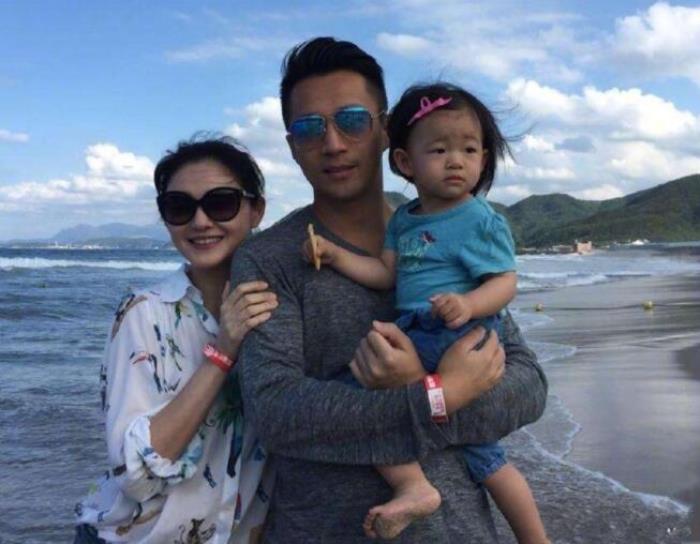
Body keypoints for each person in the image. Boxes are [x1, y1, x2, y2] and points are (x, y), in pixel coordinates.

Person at [231, 37, 548, 543]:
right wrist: (437, 395)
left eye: (352, 120)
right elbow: (277, 412)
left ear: (383, 131)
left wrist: (425, 387)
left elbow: (528, 387)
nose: (333, 143)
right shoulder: (270, 258)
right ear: (292, 146)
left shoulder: (452, 228)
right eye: (310, 128)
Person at [74, 135, 278, 543]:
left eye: (221, 203)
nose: (200, 222)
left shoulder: (282, 309)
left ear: (256, 210)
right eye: (180, 207)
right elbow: (136, 475)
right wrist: (223, 351)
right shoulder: (144, 313)